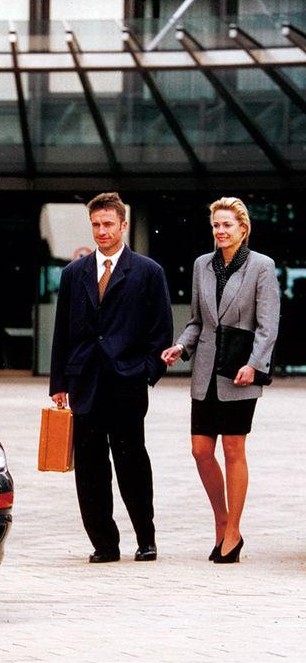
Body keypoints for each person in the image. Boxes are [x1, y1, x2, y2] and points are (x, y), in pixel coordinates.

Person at [50, 192, 173, 563]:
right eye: (96, 224)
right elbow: (61, 332)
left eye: (108, 224)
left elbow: (161, 331)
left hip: (127, 383)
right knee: (90, 468)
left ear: (123, 225)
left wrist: (146, 372)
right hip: (84, 383)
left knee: (131, 462)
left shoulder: (149, 272)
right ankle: (104, 544)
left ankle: (146, 538)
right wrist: (59, 383)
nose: (101, 231)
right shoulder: (74, 273)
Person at [161, 197, 279, 564]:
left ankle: (233, 532)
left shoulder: (262, 266)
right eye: (216, 225)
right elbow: (198, 321)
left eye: (227, 224)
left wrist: (255, 365)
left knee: (232, 449)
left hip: (240, 372)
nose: (221, 231)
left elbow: (268, 325)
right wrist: (181, 346)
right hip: (205, 371)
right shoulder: (202, 265)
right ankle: (222, 520)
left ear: (243, 228)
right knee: (200, 450)